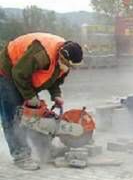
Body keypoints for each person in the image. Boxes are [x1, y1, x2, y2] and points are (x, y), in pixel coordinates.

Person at [0, 33, 83, 170]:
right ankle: (21, 155)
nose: (68, 68)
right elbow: (18, 73)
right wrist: (30, 97)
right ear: (62, 57)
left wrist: (56, 95)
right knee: (13, 116)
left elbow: (54, 78)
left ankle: (45, 149)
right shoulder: (42, 54)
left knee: (35, 115)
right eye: (68, 65)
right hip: (6, 72)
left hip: (23, 75)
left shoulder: (64, 60)